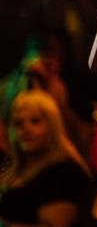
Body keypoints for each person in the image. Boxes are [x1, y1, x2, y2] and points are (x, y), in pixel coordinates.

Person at [0, 89, 92, 227]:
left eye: (35, 121)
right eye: (18, 123)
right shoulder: (12, 170)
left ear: (52, 126)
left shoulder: (65, 173)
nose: (26, 128)